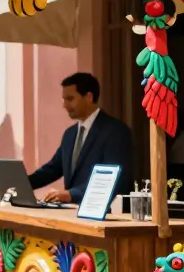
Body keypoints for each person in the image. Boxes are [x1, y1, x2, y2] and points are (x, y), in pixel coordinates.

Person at [29, 73, 133, 203]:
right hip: (71, 214)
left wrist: (71, 194)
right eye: (64, 99)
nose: (64, 105)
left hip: (104, 214)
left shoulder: (115, 131)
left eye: (70, 99)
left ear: (89, 97)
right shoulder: (70, 134)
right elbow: (53, 169)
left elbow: (113, 177)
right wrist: (21, 183)